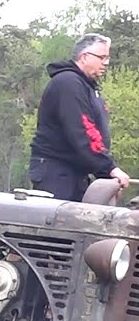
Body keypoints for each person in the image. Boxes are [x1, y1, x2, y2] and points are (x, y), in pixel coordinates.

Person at [29, 33, 130, 202]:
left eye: (107, 57)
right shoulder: (68, 83)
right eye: (101, 57)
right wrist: (110, 169)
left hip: (76, 173)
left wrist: (105, 176)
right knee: (62, 227)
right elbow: (82, 131)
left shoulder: (87, 87)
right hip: (57, 174)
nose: (106, 63)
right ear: (84, 57)